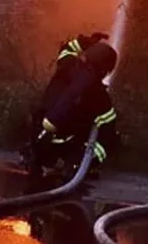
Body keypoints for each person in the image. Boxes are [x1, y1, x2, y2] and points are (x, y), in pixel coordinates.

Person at [23, 31, 119, 184]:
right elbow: (108, 132)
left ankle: (32, 154)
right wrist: (90, 159)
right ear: (106, 70)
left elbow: (67, 49)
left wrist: (88, 41)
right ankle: (74, 165)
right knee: (108, 135)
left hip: (38, 137)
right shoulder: (100, 97)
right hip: (63, 149)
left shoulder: (67, 64)